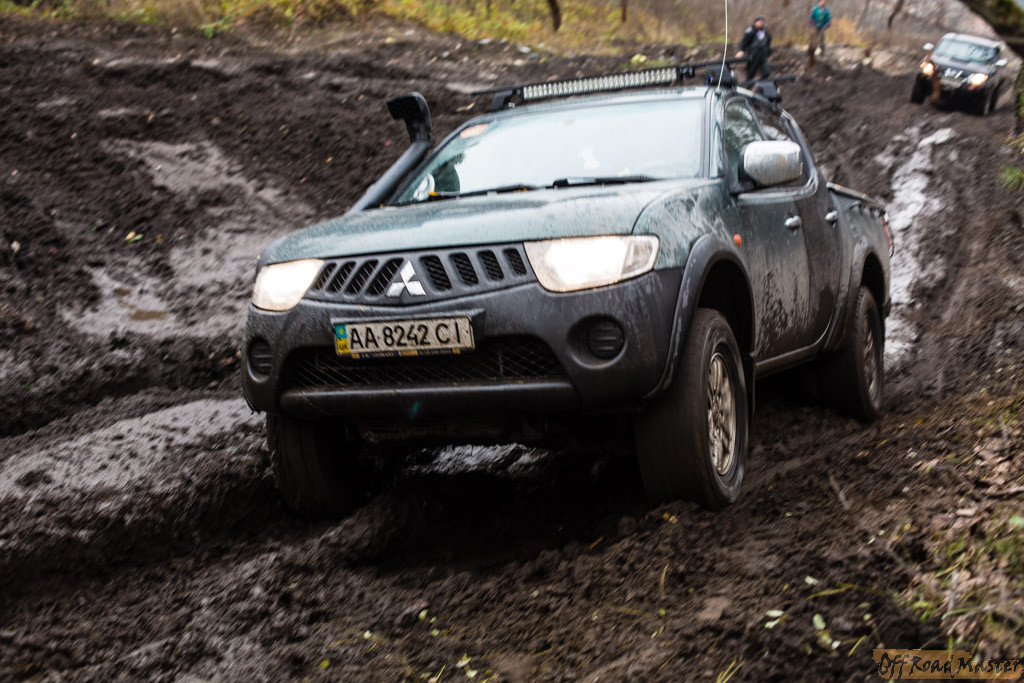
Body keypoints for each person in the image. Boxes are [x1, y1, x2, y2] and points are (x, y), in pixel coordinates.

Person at [736, 16, 772, 81]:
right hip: (754, 55)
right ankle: (748, 84)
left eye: (761, 22)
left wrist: (769, 55)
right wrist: (741, 51)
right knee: (751, 72)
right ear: (755, 22)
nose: (760, 23)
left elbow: (768, 44)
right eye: (759, 21)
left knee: (766, 70)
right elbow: (745, 42)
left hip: (764, 55)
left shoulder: (766, 32)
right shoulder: (750, 31)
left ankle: (762, 84)